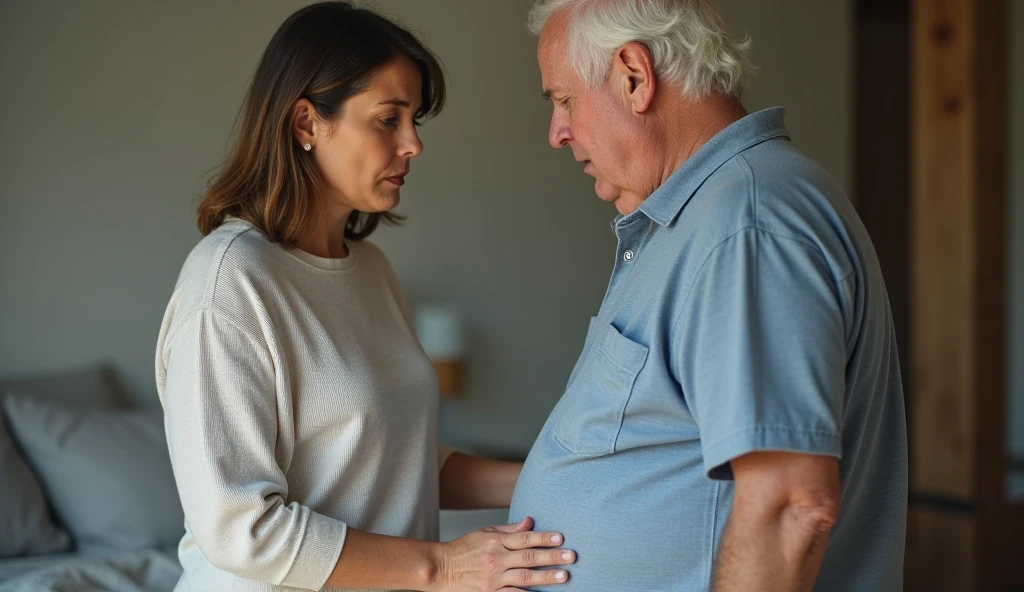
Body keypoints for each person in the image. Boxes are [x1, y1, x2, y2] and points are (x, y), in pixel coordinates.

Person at [155, 3, 575, 591]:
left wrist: (562, 475)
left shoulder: (371, 271)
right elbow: (239, 526)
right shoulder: (228, 282)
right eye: (388, 119)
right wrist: (445, 566)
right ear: (306, 123)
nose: (413, 145)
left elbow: (403, 463)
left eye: (415, 121)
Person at [508, 0, 908, 590]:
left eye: (564, 100)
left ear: (634, 76)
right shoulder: (705, 217)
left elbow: (789, 505)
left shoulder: (746, 223)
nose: (556, 132)